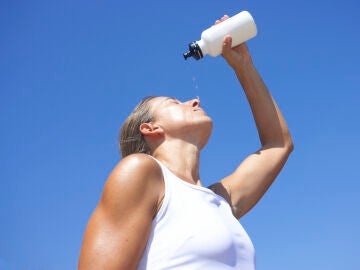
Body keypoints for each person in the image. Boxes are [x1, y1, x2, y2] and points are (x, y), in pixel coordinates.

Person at [78, 15, 294, 270]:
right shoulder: (140, 172)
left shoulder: (220, 200)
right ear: (150, 128)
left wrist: (243, 65)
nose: (194, 101)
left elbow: (279, 144)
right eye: (173, 102)